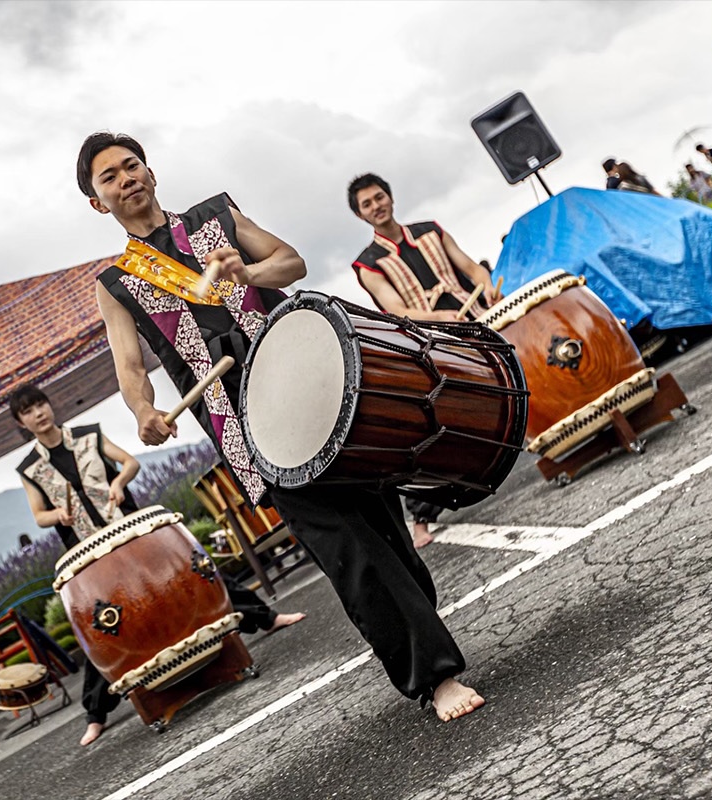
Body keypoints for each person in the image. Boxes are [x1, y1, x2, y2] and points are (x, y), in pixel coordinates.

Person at [76, 130, 487, 722]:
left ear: (151, 172)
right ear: (98, 202)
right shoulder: (117, 283)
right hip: (243, 424)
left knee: (383, 526)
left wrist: (248, 272)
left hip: (311, 379)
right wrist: (144, 412)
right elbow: (130, 367)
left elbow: (291, 262)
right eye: (109, 177)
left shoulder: (215, 216)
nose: (126, 178)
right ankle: (433, 676)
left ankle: (419, 633)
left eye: (131, 165)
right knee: (347, 547)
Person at [10, 383, 304, 746]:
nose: (38, 413)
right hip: (87, 552)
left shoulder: (87, 435)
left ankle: (267, 618)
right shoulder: (30, 468)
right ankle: (96, 715)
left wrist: (119, 482)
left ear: (49, 405)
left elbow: (130, 463)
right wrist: (58, 515)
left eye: (40, 404)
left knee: (187, 579)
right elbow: (38, 515)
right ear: (22, 422)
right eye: (28, 411)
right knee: (104, 629)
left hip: (129, 530)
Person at [345, 172, 504, 547]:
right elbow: (397, 311)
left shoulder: (431, 230)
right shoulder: (368, 264)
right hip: (431, 344)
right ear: (360, 214)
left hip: (476, 320)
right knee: (438, 422)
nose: (376, 206)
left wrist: (487, 286)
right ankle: (420, 516)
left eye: (379, 197)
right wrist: (440, 318)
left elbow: (471, 268)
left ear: (390, 197)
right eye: (367, 204)